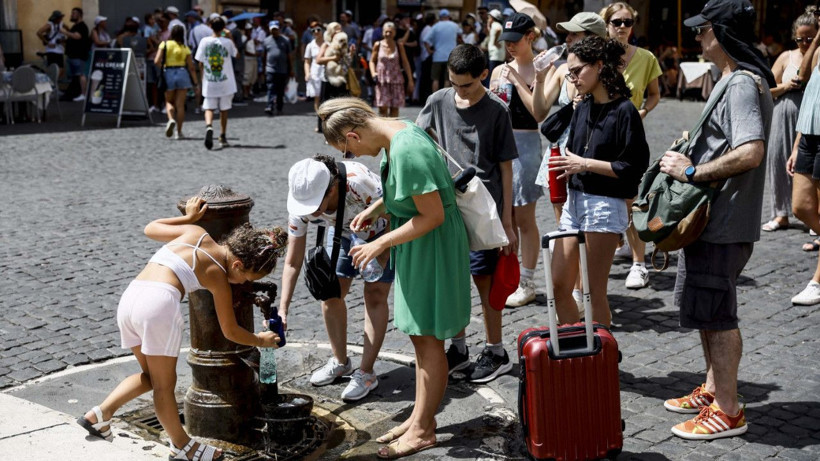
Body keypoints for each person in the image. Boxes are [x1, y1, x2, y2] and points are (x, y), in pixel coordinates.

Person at [76, 196, 287, 461]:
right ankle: (183, 447)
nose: (243, 283)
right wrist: (260, 340)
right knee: (164, 386)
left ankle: (99, 415)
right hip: (158, 305)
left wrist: (188, 218)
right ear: (237, 264)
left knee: (152, 377)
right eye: (246, 278)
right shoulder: (218, 275)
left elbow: (150, 228)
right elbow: (230, 331)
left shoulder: (196, 231)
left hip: (131, 298)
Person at [318, 98, 471, 459]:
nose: (354, 156)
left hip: (431, 245)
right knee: (421, 337)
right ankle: (422, 416)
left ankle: (422, 430)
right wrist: (377, 208)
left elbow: (430, 215)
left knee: (428, 337)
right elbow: (407, 193)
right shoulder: (397, 133)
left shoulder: (404, 150)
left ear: (353, 134)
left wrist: (382, 242)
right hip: (422, 245)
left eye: (348, 149)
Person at [659, 0, 774, 440]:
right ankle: (713, 389)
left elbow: (751, 151)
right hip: (710, 220)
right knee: (706, 310)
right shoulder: (731, 79)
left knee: (719, 314)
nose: (697, 36)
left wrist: (690, 171)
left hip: (722, 220)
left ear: (722, 33)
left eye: (703, 29)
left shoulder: (742, 84)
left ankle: (727, 411)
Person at [416, 44, 518, 383]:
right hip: (446, 205)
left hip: (484, 208)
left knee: (484, 281)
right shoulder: (439, 100)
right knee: (453, 277)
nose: (460, 91)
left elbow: (506, 169)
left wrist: (508, 221)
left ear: (484, 75)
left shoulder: (497, 110)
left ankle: (496, 350)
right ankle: (458, 349)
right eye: (454, 83)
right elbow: (419, 138)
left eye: (468, 85)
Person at [548, 35, 649, 327]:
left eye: (577, 71)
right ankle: (576, 349)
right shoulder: (583, 106)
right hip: (575, 203)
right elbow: (550, 128)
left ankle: (601, 358)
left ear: (600, 66)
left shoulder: (625, 111)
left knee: (593, 292)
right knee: (558, 286)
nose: (573, 78)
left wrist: (584, 164)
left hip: (604, 205)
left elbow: (633, 167)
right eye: (570, 72)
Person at [280, 155, 393, 401]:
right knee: (330, 292)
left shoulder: (359, 184)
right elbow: (292, 260)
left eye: (315, 205)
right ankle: (341, 361)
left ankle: (366, 373)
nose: (310, 213)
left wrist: (382, 252)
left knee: (375, 295)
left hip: (383, 231)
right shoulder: (300, 201)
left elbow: (396, 211)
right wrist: (283, 309)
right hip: (343, 233)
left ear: (332, 189)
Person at [599, 2, 663, 290]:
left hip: (630, 138)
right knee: (606, 197)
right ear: (607, 24)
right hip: (601, 135)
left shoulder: (646, 57)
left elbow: (654, 95)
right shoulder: (599, 56)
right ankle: (623, 244)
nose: (622, 27)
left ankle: (639, 263)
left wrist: (644, 112)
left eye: (627, 22)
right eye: (616, 22)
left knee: (630, 198)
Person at [489, 13, 545, 307]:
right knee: (505, 215)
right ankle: (509, 276)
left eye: (515, 41)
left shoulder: (540, 68)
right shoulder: (498, 70)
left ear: (530, 37)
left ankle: (528, 280)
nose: (510, 46)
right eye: (506, 41)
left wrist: (517, 80)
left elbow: (539, 114)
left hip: (525, 143)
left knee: (524, 218)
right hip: (500, 144)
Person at [762, 10, 817, 233]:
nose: (804, 43)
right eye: (800, 39)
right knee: (777, 161)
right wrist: (786, 87)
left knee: (809, 166)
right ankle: (780, 213)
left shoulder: (818, 56)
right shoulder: (786, 57)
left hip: (810, 117)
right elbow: (767, 88)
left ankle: (814, 216)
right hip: (783, 114)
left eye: (809, 39)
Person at [788, 6, 820, 304]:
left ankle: (817, 281)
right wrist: (797, 143)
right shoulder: (818, 46)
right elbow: (804, 77)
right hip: (809, 133)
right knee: (800, 207)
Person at [195, 17, 238, 151]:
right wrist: (230, 36)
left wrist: (203, 74)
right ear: (223, 27)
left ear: (210, 26)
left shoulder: (204, 41)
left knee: (209, 107)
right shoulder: (227, 42)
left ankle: (209, 126)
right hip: (226, 82)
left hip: (210, 80)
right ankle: (222, 135)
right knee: (224, 109)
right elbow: (236, 55)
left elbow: (200, 61)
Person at [155, 25, 198, 140]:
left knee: (169, 101)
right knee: (180, 105)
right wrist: (196, 83)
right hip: (182, 72)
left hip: (168, 72)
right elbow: (191, 67)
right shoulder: (184, 47)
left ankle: (171, 120)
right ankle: (179, 132)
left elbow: (156, 61)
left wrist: (164, 67)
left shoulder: (164, 44)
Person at [370, 22, 414, 118]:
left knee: (394, 109)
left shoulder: (399, 45)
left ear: (394, 32)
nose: (388, 34)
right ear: (382, 32)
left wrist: (410, 80)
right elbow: (372, 61)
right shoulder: (378, 45)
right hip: (382, 80)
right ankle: (383, 131)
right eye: (386, 32)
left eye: (390, 32)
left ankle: (392, 131)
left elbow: (405, 63)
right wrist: (373, 73)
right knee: (383, 108)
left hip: (396, 80)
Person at [424, 9, 460, 93]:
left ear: (440, 17)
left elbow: (425, 40)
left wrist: (429, 51)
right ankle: (445, 100)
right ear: (448, 16)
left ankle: (434, 99)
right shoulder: (455, 25)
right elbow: (460, 36)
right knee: (447, 79)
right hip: (451, 57)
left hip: (437, 57)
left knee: (435, 79)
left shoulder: (436, 26)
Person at [263, 20, 292, 116]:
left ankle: (279, 107)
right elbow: (264, 55)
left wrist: (291, 69)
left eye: (275, 29)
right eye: (272, 30)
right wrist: (264, 68)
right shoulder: (266, 40)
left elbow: (289, 56)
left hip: (282, 69)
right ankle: (269, 106)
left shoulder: (286, 40)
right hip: (270, 69)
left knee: (280, 90)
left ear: (279, 29)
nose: (274, 31)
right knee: (270, 88)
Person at [62, 7, 90, 102]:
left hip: (79, 56)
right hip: (72, 56)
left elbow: (77, 36)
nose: (72, 15)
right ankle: (76, 92)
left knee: (81, 74)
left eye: (74, 13)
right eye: (72, 13)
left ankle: (83, 94)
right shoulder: (75, 26)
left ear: (79, 15)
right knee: (76, 76)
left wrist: (65, 32)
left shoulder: (82, 26)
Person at [485, 9, 505, 85]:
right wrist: (488, 24)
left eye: (489, 17)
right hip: (497, 55)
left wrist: (495, 41)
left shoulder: (495, 24)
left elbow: (498, 30)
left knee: (493, 76)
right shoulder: (496, 24)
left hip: (495, 55)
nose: (488, 19)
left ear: (493, 18)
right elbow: (491, 32)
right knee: (497, 76)